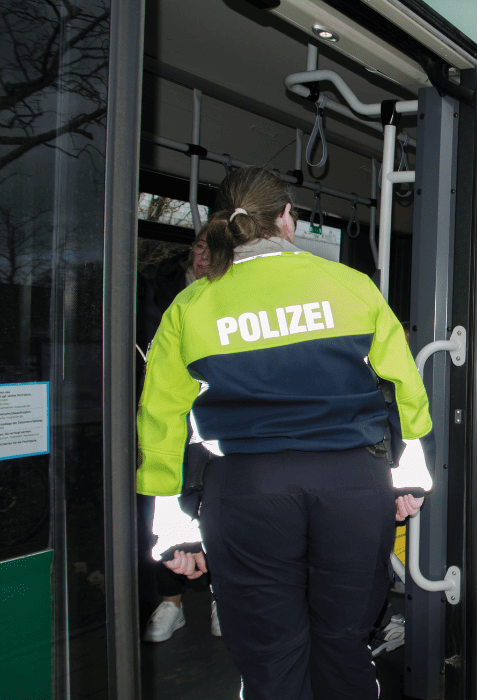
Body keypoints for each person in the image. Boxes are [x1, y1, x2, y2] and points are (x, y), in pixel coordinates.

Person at [136, 166, 433, 700]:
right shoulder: (351, 286)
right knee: (344, 647)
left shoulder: (190, 307)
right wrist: (409, 482)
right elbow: (406, 391)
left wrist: (174, 528)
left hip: (246, 489)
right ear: (287, 220)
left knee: (272, 660)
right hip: (352, 483)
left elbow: (160, 423)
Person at [140, 229, 222, 643]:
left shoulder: (229, 295)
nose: (203, 257)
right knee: (163, 502)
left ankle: (217, 597)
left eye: (213, 250)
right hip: (169, 409)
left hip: (211, 421)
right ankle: (170, 602)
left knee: (215, 507)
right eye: (199, 247)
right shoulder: (162, 292)